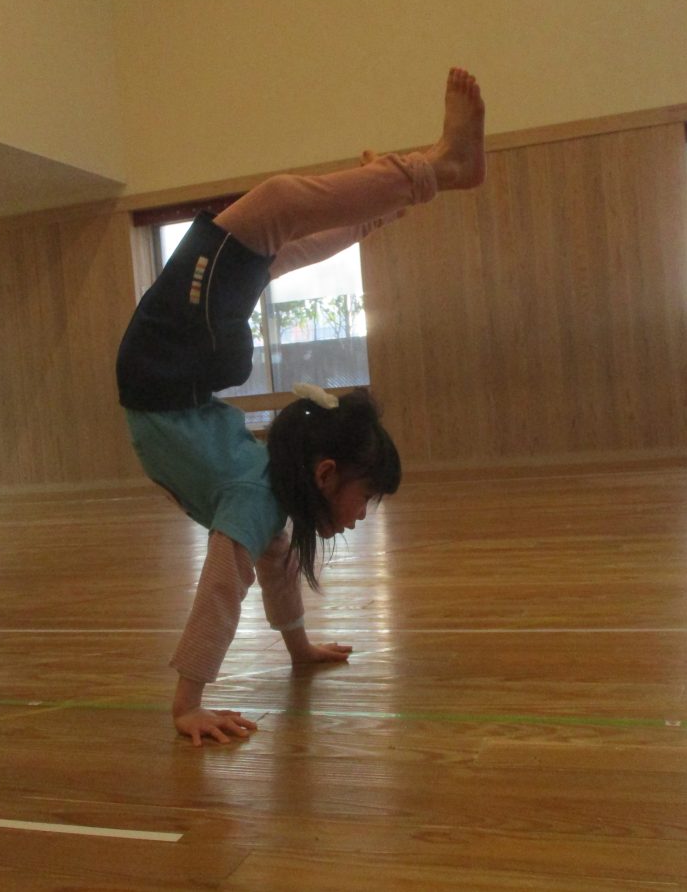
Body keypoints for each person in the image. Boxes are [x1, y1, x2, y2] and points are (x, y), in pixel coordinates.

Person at [116, 67, 486, 746]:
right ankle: (417, 181)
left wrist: (207, 693)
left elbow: (244, 583)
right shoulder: (264, 501)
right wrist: (272, 660)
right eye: (366, 498)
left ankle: (410, 183)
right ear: (322, 473)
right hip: (175, 372)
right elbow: (254, 582)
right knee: (272, 234)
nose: (361, 516)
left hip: (164, 371)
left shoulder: (258, 502)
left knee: (273, 220)